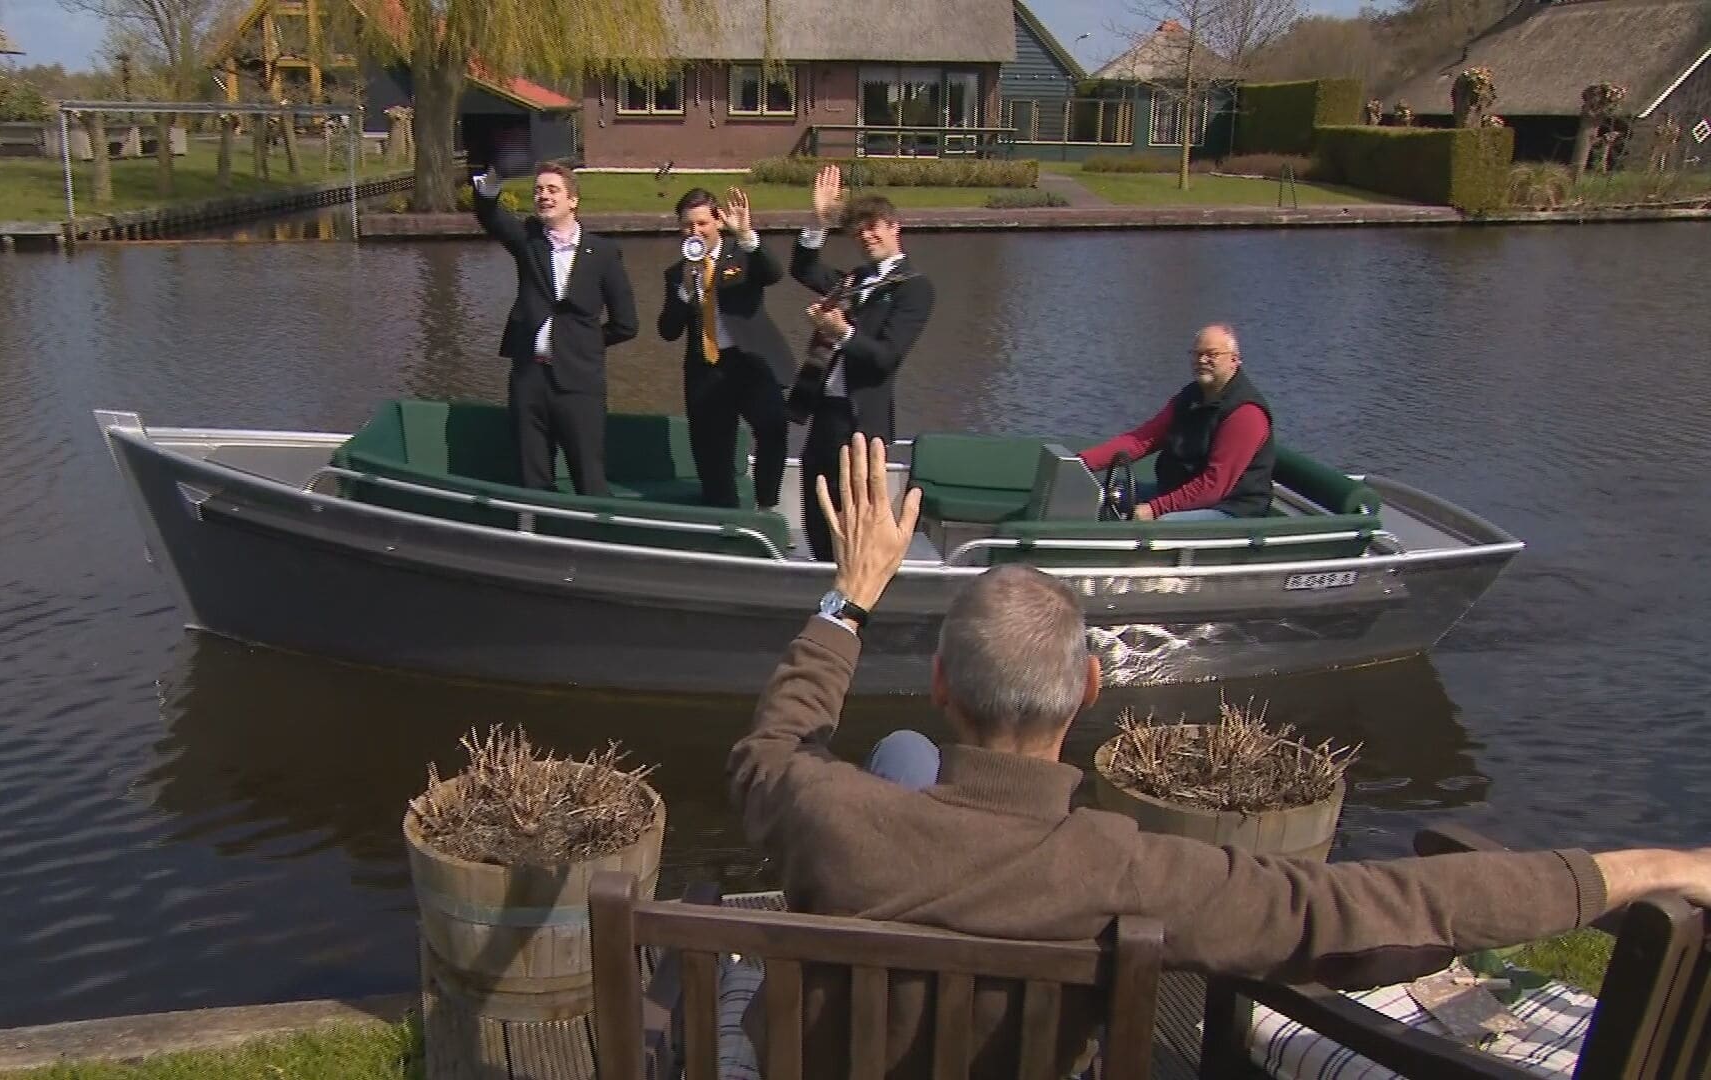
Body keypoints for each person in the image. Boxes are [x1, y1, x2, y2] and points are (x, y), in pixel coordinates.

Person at [726, 432, 1711, 1080]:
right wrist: (1646, 868)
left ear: (942, 682)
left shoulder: (830, 813)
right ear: (1090, 689)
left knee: (901, 756)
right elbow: (1384, 910)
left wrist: (851, 598)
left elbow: (774, 744)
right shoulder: (1134, 872)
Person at [790, 164, 935, 560]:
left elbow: (886, 357)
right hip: (825, 407)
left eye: (874, 228)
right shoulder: (854, 279)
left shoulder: (914, 288)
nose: (867, 237)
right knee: (815, 496)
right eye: (858, 233)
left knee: (851, 510)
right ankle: (820, 569)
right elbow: (803, 269)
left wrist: (841, 332)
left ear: (894, 227)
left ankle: (852, 578)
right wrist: (818, 221)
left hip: (860, 417)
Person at [471, 162, 638, 496]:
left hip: (580, 381)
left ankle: (594, 528)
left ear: (573, 200)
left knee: (589, 477)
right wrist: (492, 181)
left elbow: (626, 324)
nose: (543, 196)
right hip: (530, 378)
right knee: (533, 477)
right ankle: (538, 527)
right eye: (538, 190)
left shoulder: (603, 253)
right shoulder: (528, 241)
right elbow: (491, 216)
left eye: (552, 190)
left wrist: (584, 343)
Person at [656, 186, 792, 511]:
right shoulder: (677, 273)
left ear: (717, 221)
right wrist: (684, 292)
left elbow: (773, 273)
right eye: (687, 225)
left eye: (702, 223)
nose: (695, 231)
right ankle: (724, 518)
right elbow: (668, 331)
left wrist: (746, 235)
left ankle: (766, 506)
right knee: (712, 455)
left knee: (773, 427)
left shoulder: (742, 255)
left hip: (750, 364)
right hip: (706, 370)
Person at [1078, 322, 1273, 521]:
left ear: (1234, 360)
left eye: (1212, 354)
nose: (1202, 360)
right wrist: (1079, 464)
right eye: (1197, 354)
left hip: (1231, 510)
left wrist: (1154, 510)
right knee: (1102, 494)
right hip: (1180, 492)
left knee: (1163, 525)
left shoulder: (1246, 413)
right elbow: (1142, 440)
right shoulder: (1190, 397)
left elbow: (1213, 486)